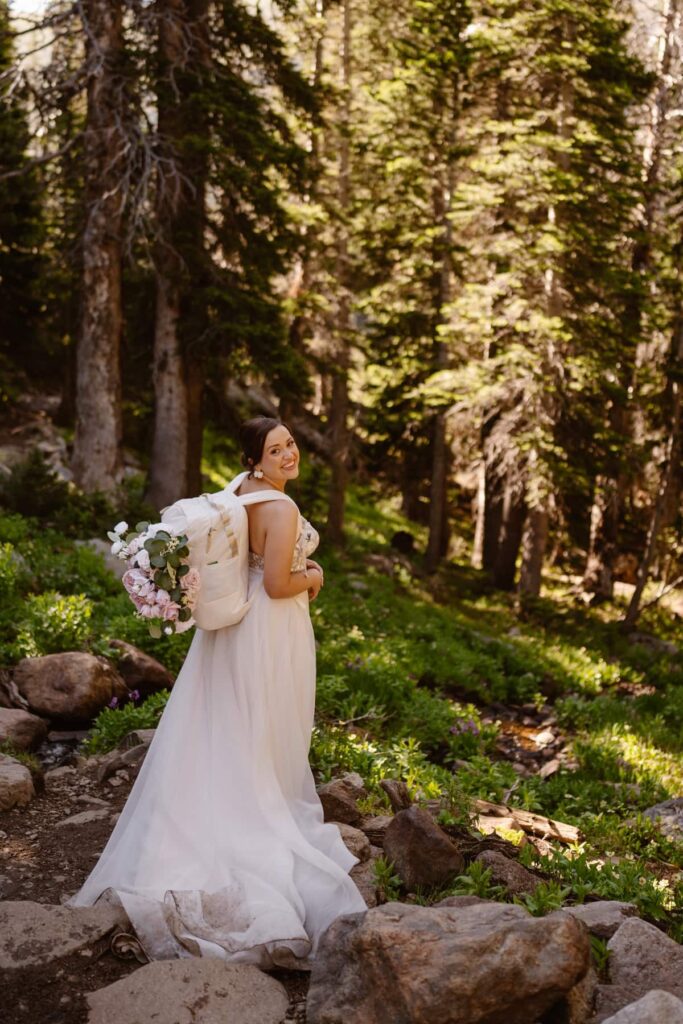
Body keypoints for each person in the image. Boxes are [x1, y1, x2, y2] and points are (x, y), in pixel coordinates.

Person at [66, 416, 367, 968]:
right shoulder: (282, 509)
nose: (289, 455)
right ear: (257, 457)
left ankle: (215, 801)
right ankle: (254, 811)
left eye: (291, 444)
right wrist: (316, 576)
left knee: (224, 721)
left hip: (232, 632)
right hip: (270, 629)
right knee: (264, 722)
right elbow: (279, 583)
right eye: (277, 449)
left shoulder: (241, 490)